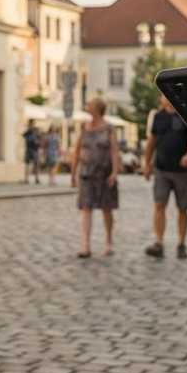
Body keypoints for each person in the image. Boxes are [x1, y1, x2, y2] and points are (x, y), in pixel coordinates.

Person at [142, 94, 187, 259]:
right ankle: (159, 243)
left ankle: (181, 244)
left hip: (182, 172)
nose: (163, 97)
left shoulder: (186, 114)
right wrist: (147, 163)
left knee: (183, 208)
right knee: (159, 205)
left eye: (165, 94)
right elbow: (152, 141)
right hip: (161, 169)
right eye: (161, 95)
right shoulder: (158, 116)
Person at [69, 97, 118, 258]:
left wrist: (114, 172)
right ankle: (85, 246)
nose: (87, 106)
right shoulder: (84, 127)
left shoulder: (109, 128)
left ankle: (109, 242)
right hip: (86, 174)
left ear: (97, 109)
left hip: (104, 174)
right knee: (86, 208)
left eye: (89, 105)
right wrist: (73, 173)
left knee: (106, 209)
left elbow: (114, 152)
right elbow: (76, 151)